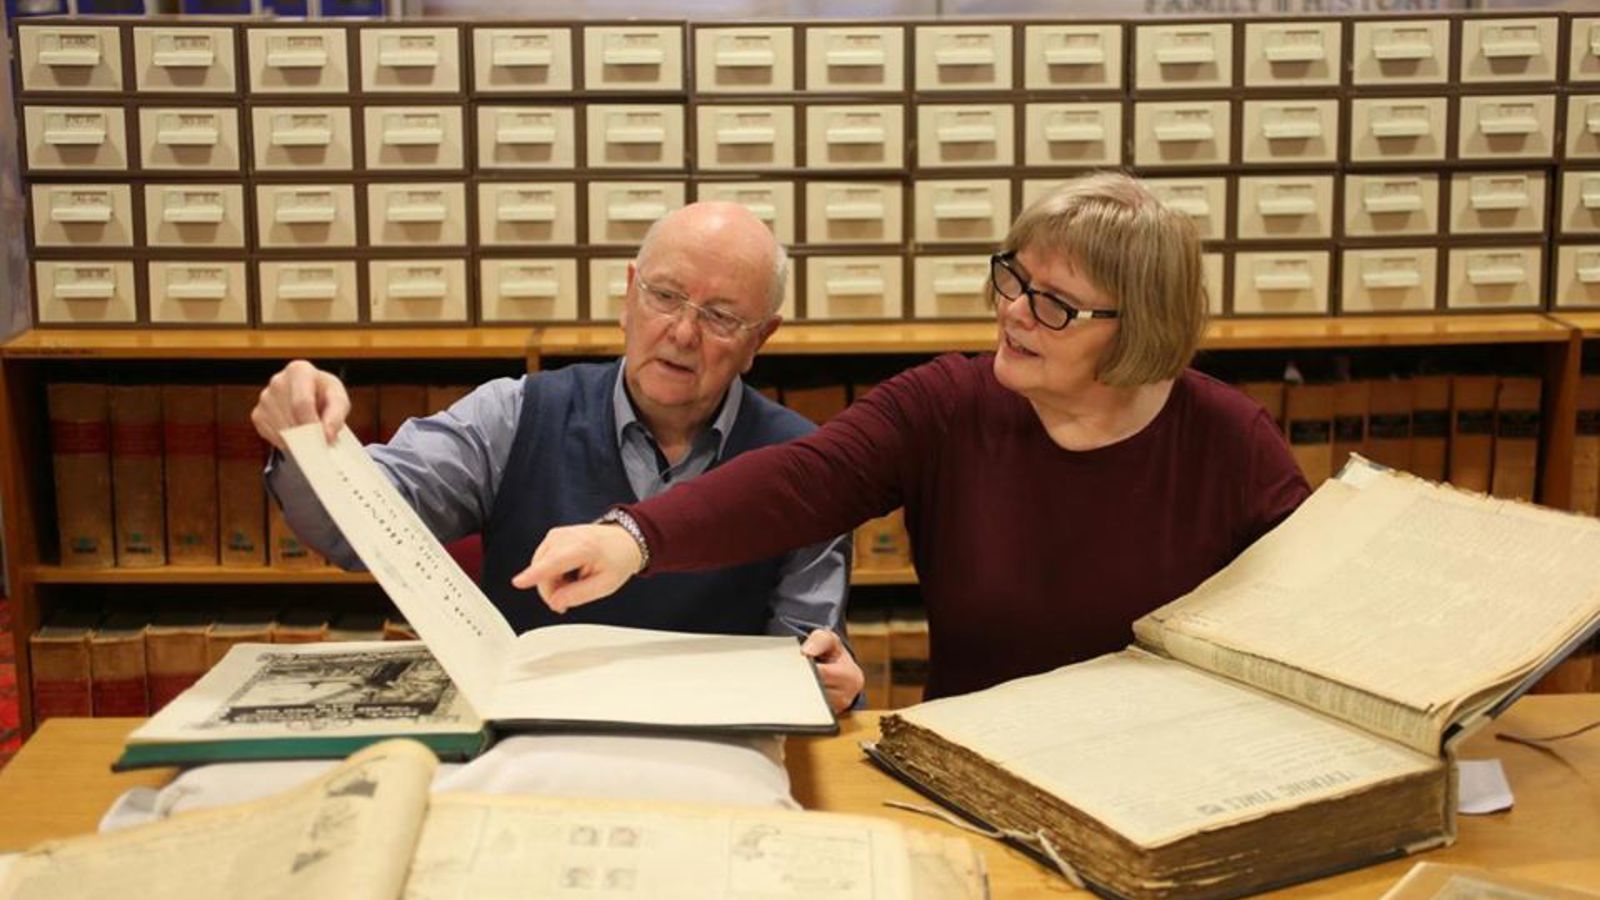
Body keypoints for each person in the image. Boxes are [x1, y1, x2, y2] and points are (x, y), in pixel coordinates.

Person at [517, 171, 1312, 702]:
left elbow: (1317, 618)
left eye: (1054, 305)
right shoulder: (948, 405)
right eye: (1014, 279)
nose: (1012, 312)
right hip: (975, 772)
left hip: (1158, 777)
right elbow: (803, 479)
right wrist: (634, 537)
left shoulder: (1229, 442)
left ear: (1140, 325)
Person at [251, 201, 863, 713]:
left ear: (762, 338)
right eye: (665, 296)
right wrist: (305, 440)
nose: (681, 333)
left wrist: (823, 679)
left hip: (714, 752)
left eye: (721, 316)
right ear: (629, 295)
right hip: (528, 743)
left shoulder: (804, 465)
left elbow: (805, 651)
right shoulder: (516, 415)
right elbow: (354, 528)